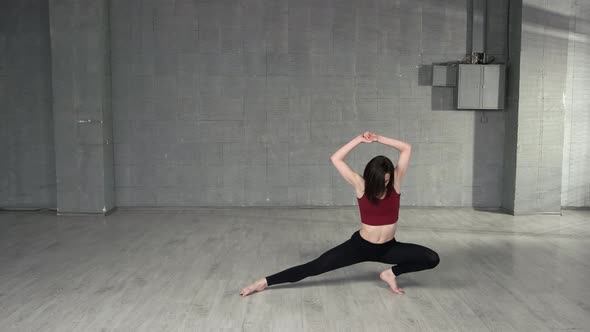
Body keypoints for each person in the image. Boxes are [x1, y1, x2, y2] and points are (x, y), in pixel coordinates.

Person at [240, 132, 439, 296]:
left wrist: (378, 138)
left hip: (388, 248)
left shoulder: (395, 182)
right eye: (380, 181)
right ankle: (264, 282)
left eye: (386, 181)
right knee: (315, 267)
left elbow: (407, 148)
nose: (384, 185)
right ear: (370, 177)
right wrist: (359, 140)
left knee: (431, 258)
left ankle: (390, 273)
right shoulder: (360, 184)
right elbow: (335, 158)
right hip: (360, 246)